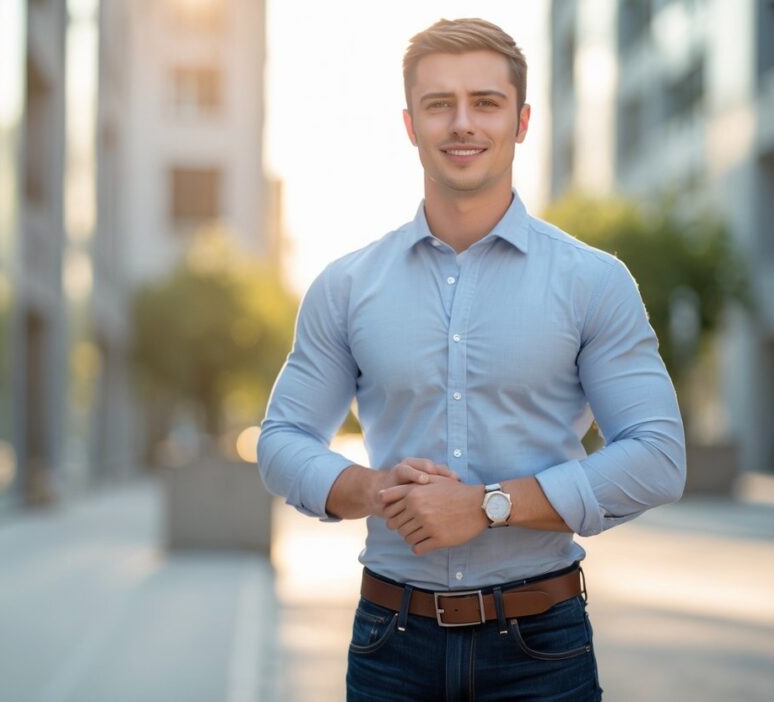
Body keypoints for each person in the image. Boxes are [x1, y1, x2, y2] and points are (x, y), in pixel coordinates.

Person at [257, 17, 685, 702]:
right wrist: (377, 490)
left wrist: (489, 505)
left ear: (521, 121)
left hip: (541, 649)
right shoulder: (346, 286)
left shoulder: (593, 282)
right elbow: (281, 440)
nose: (462, 123)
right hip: (390, 644)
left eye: (485, 102)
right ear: (410, 125)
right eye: (439, 104)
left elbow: (658, 456)